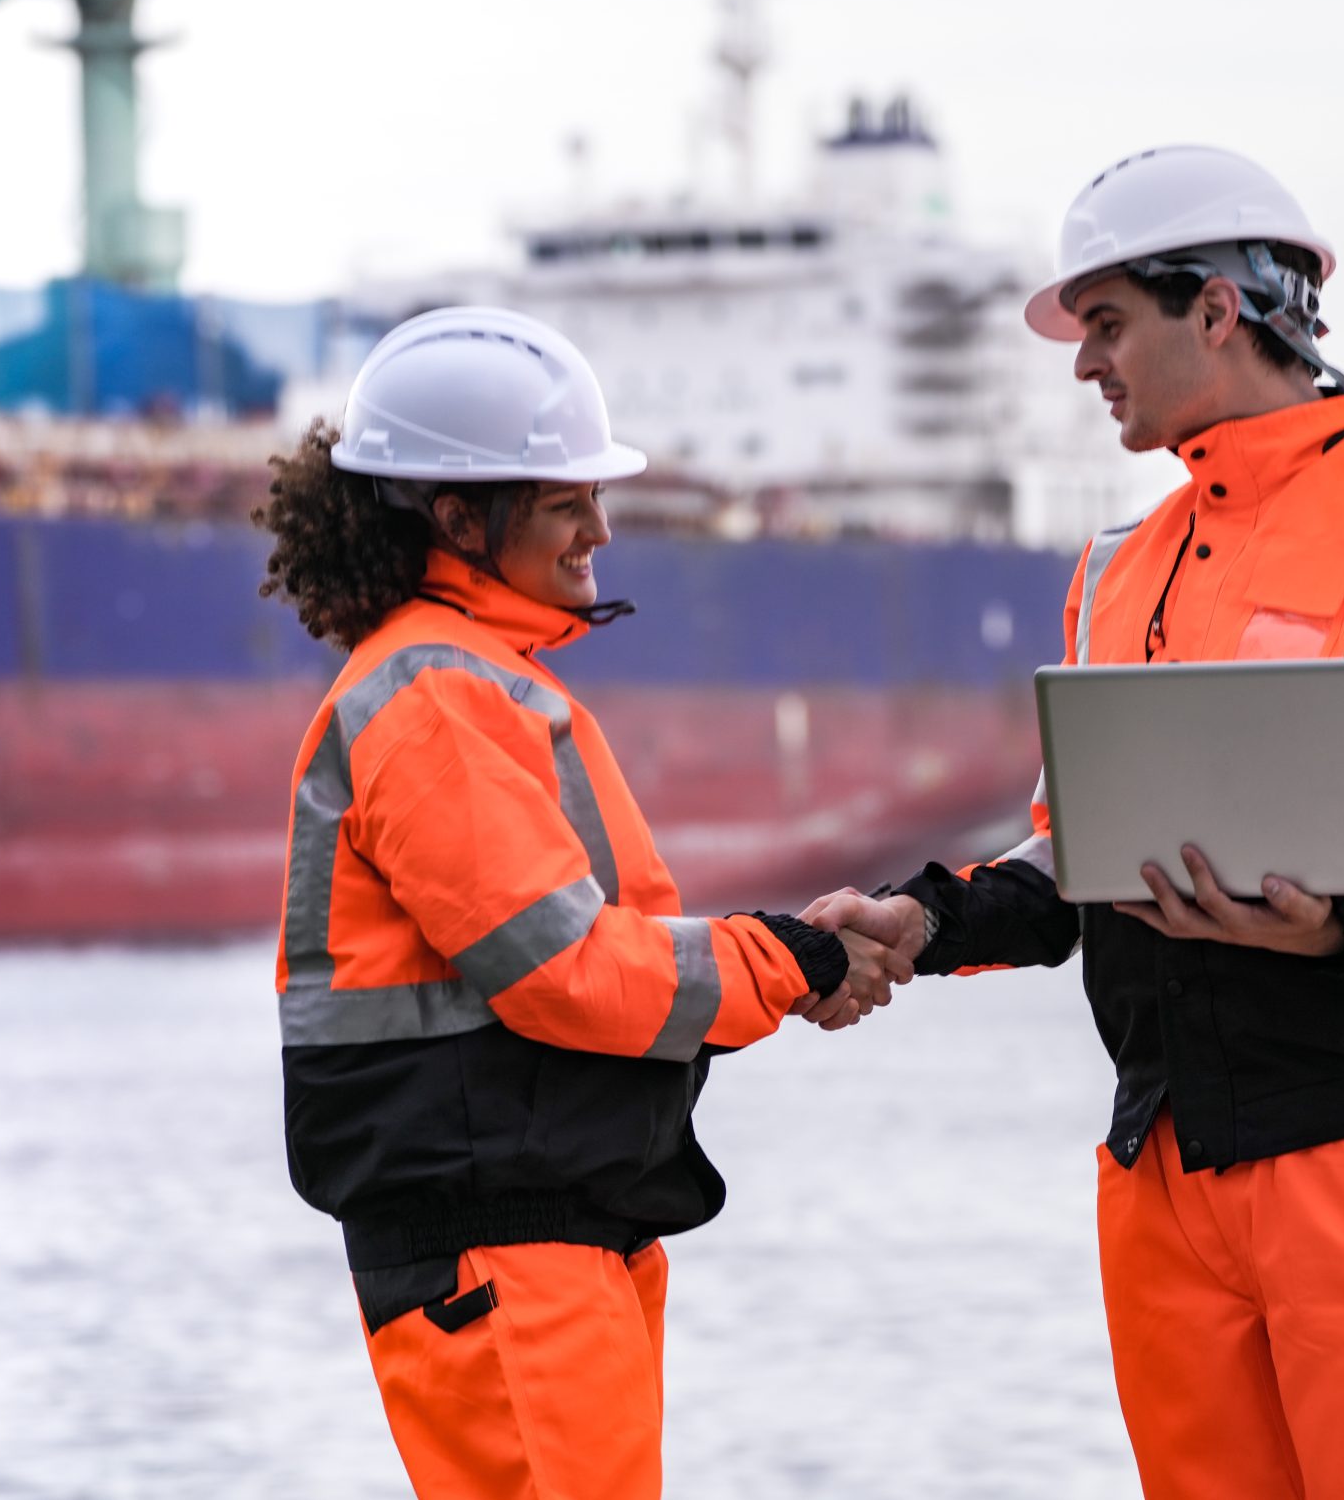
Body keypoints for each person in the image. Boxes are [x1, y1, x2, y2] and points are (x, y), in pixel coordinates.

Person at [807, 147, 1344, 1498]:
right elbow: (1078, 851)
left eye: (1106, 323)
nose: (1082, 364)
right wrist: (925, 918)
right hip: (1163, 1182)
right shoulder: (1118, 567)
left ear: (1219, 309)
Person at [254, 305, 903, 1500]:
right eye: (565, 502)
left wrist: (792, 951)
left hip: (538, 1245)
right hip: (503, 1259)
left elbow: (594, 952)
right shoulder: (437, 697)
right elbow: (560, 971)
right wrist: (795, 962)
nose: (601, 527)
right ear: (458, 518)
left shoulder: (469, 681)